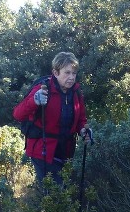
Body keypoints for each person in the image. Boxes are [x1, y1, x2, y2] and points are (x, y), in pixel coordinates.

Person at [12, 51, 93, 186]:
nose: (71, 77)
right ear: (55, 73)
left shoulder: (76, 92)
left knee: (62, 190)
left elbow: (81, 120)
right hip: (42, 150)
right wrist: (35, 100)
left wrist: (84, 131)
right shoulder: (43, 89)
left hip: (65, 150)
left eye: (74, 73)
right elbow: (17, 114)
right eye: (67, 73)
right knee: (54, 192)